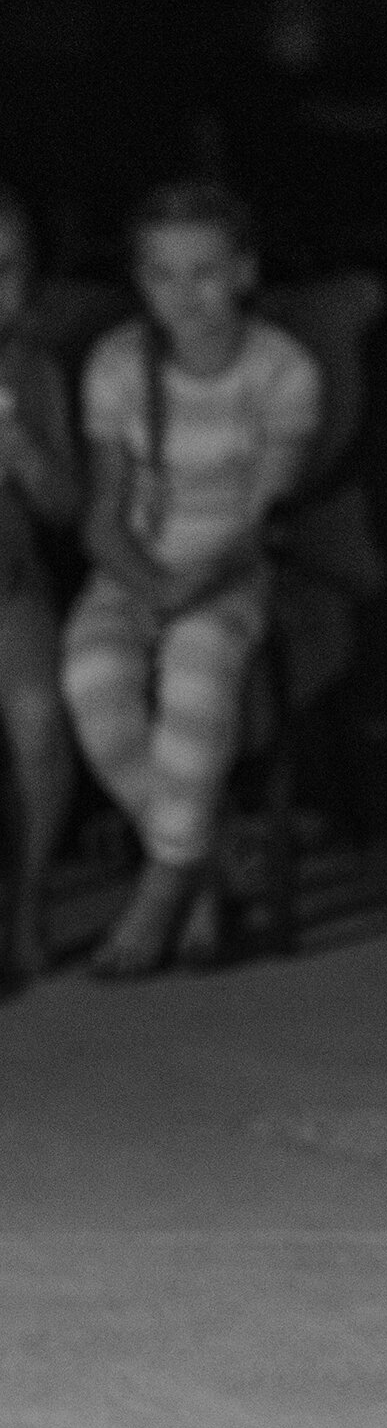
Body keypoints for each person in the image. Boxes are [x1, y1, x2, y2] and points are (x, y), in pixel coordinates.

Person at [64, 180, 323, 979]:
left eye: (205, 271)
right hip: (137, 567)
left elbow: (262, 519)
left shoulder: (281, 369)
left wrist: (191, 590)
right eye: (164, 274)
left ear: (244, 271)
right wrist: (147, 585)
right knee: (92, 676)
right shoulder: (119, 364)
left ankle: (164, 886)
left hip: (230, 568)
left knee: (195, 673)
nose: (186, 294)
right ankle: (201, 858)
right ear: (141, 280)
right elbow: (102, 515)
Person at [0, 186, 79, 984]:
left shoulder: (31, 369)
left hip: (10, 585)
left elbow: (65, 506)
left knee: (41, 725)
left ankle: (27, 903)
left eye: (4, 269)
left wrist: (23, 451)